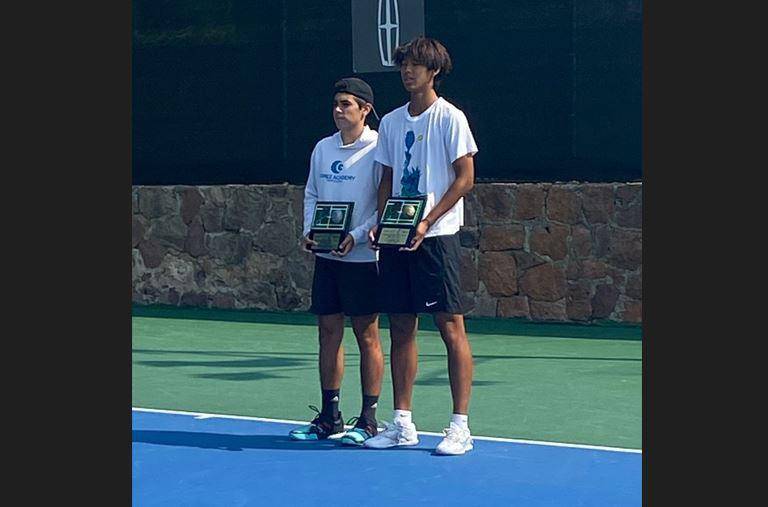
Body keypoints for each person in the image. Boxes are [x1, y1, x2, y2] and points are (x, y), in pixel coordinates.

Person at [365, 37, 478, 455]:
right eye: (404, 65)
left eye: (416, 65)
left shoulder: (451, 118)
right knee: (400, 327)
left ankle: (460, 427)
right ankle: (402, 424)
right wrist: (381, 224)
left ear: (434, 71)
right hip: (397, 239)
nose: (407, 71)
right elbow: (387, 180)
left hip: (437, 238)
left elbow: (465, 178)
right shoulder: (391, 123)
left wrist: (427, 221)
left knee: (450, 327)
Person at [289, 77, 384, 446]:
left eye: (346, 104)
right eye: (336, 104)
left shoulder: (378, 148)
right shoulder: (322, 149)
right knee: (328, 332)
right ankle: (329, 417)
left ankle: (370, 420)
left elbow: (382, 204)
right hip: (327, 258)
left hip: (363, 258)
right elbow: (312, 193)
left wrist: (356, 236)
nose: (338, 110)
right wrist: (310, 231)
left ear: (365, 110)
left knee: (367, 335)